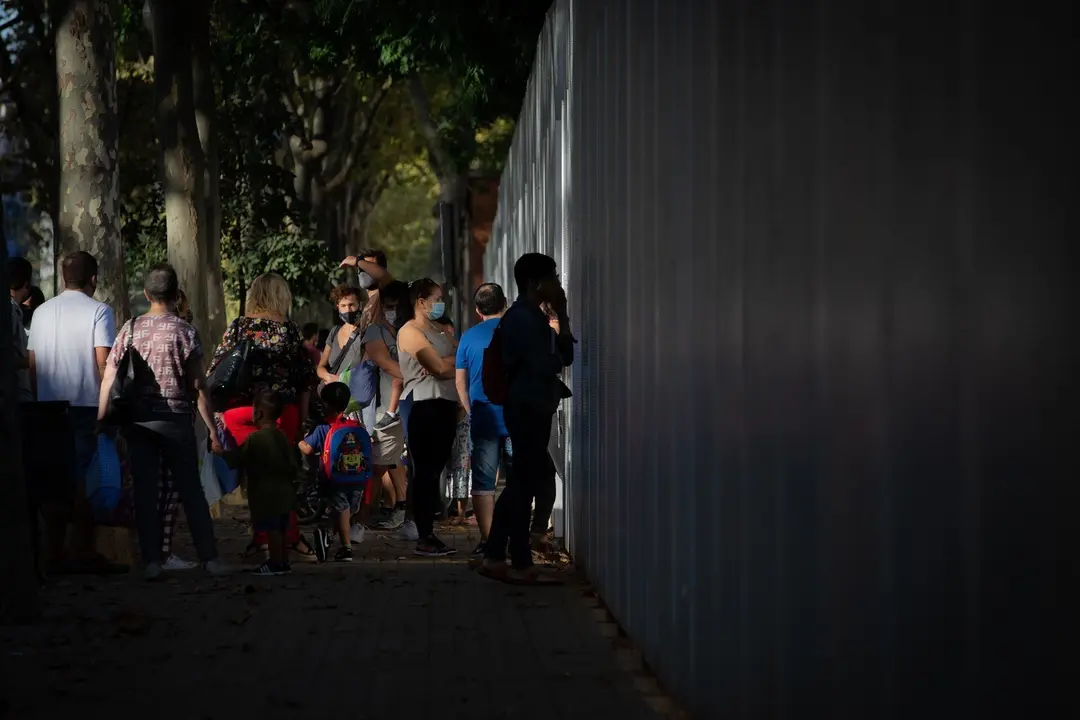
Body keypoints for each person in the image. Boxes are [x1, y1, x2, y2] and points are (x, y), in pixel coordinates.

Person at [98, 263, 227, 580]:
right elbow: (199, 386)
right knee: (190, 491)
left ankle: (152, 562)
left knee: (145, 490)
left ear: (146, 294)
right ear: (175, 293)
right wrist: (212, 429)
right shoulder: (185, 332)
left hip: (138, 422)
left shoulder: (129, 329)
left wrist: (101, 418)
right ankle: (209, 559)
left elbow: (109, 377)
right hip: (175, 421)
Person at [479, 254, 574, 585]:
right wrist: (558, 320)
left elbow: (565, 357)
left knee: (524, 482)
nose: (558, 284)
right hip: (527, 407)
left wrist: (561, 316)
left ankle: (498, 556)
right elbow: (552, 363)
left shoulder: (531, 316)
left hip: (532, 406)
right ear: (535, 283)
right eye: (554, 278)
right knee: (523, 484)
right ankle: (516, 561)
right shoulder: (524, 319)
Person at [28, 251, 123, 573]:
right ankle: (84, 552)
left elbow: (32, 364)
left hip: (47, 408)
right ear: (93, 279)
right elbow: (103, 362)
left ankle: (53, 553)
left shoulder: (41, 312)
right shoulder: (100, 311)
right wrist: (106, 408)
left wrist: (38, 400)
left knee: (55, 481)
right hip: (85, 407)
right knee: (84, 481)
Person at [207, 272, 315, 553]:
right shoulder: (290, 330)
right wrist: (302, 420)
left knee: (255, 476)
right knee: (280, 475)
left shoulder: (239, 326)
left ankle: (262, 538)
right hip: (282, 411)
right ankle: (288, 536)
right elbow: (305, 380)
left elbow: (216, 369)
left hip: (241, 411)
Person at [398, 278, 460, 557]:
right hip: (423, 405)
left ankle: (430, 532)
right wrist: (446, 364)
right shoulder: (409, 331)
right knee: (424, 472)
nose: (440, 302)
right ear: (420, 302)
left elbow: (461, 360)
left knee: (435, 471)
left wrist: (446, 364)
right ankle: (424, 534)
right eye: (436, 297)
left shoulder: (441, 329)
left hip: (446, 404)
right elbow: (437, 366)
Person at [454, 283, 511, 558]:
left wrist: (471, 409)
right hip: (516, 417)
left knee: (484, 482)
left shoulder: (467, 337)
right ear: (506, 303)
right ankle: (514, 536)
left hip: (484, 417)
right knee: (517, 480)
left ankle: (489, 540)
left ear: (478, 311)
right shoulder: (516, 332)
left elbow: (460, 382)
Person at [215, 390, 298, 576]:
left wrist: (219, 452)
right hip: (285, 490)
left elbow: (237, 459)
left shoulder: (255, 439)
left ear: (258, 413)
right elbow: (294, 464)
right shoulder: (282, 437)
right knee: (283, 528)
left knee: (273, 529)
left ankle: (275, 563)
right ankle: (283, 561)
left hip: (266, 493)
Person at [358, 280, 411, 531]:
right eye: (390, 306)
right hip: (384, 410)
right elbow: (385, 363)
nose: (394, 311)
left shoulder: (411, 330)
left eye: (399, 307)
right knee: (380, 464)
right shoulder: (375, 332)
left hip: (412, 405)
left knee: (391, 462)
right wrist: (423, 373)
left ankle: (399, 512)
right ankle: (367, 515)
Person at [299, 382, 367, 563]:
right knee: (348, 509)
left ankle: (345, 547)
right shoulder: (355, 425)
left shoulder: (323, 427)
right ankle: (328, 535)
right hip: (357, 478)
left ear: (325, 404)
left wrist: (298, 439)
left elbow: (307, 449)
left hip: (333, 479)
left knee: (341, 509)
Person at [8, 257, 33, 402]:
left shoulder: (14, 310)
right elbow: (6, 359)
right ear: (26, 284)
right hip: (16, 396)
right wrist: (35, 361)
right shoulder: (10, 311)